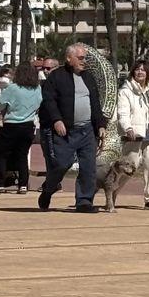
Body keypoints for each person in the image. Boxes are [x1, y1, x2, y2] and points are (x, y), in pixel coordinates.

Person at [38, 44, 107, 212]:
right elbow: (49, 100)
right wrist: (57, 120)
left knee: (88, 167)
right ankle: (49, 188)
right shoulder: (56, 77)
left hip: (87, 131)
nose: (85, 62)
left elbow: (95, 104)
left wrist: (101, 125)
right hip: (65, 131)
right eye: (81, 58)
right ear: (69, 58)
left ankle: (84, 201)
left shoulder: (89, 77)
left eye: (86, 58)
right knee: (62, 164)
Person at [116, 59, 149, 210]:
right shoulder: (125, 91)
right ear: (133, 72)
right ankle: (112, 191)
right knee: (130, 166)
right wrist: (127, 128)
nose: (140, 72)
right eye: (137, 69)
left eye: (143, 70)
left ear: (148, 73)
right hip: (134, 134)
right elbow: (122, 113)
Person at [0, 61, 42, 194]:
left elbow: (0, 104)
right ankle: (23, 184)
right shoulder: (37, 88)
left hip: (11, 125)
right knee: (22, 155)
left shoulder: (12, 88)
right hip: (29, 125)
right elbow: (39, 104)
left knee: (2, 154)